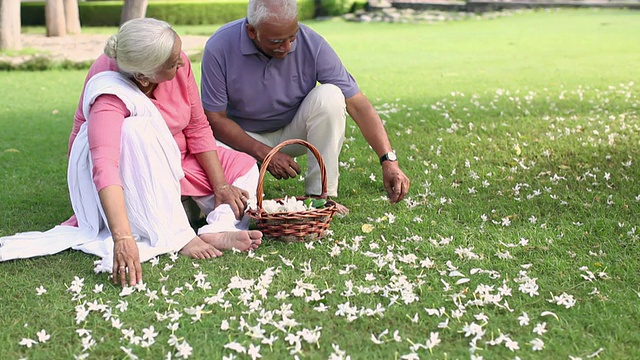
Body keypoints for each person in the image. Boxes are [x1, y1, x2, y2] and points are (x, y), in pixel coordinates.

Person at [0, 18, 262, 287]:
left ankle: (218, 227)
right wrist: (123, 239)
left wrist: (220, 185)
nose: (182, 63)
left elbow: (197, 126)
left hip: (179, 159)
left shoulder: (172, 57)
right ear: (143, 77)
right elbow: (105, 165)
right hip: (134, 169)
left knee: (243, 167)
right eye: (173, 64)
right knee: (136, 130)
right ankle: (177, 232)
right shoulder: (109, 91)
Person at [200, 0, 410, 214]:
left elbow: (358, 104)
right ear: (251, 31)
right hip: (242, 140)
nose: (287, 48)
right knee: (214, 161)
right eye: (276, 41)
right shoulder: (220, 46)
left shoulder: (312, 43)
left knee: (331, 95)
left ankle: (321, 197)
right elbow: (215, 118)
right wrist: (265, 154)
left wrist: (388, 161)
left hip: (293, 131)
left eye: (292, 37)